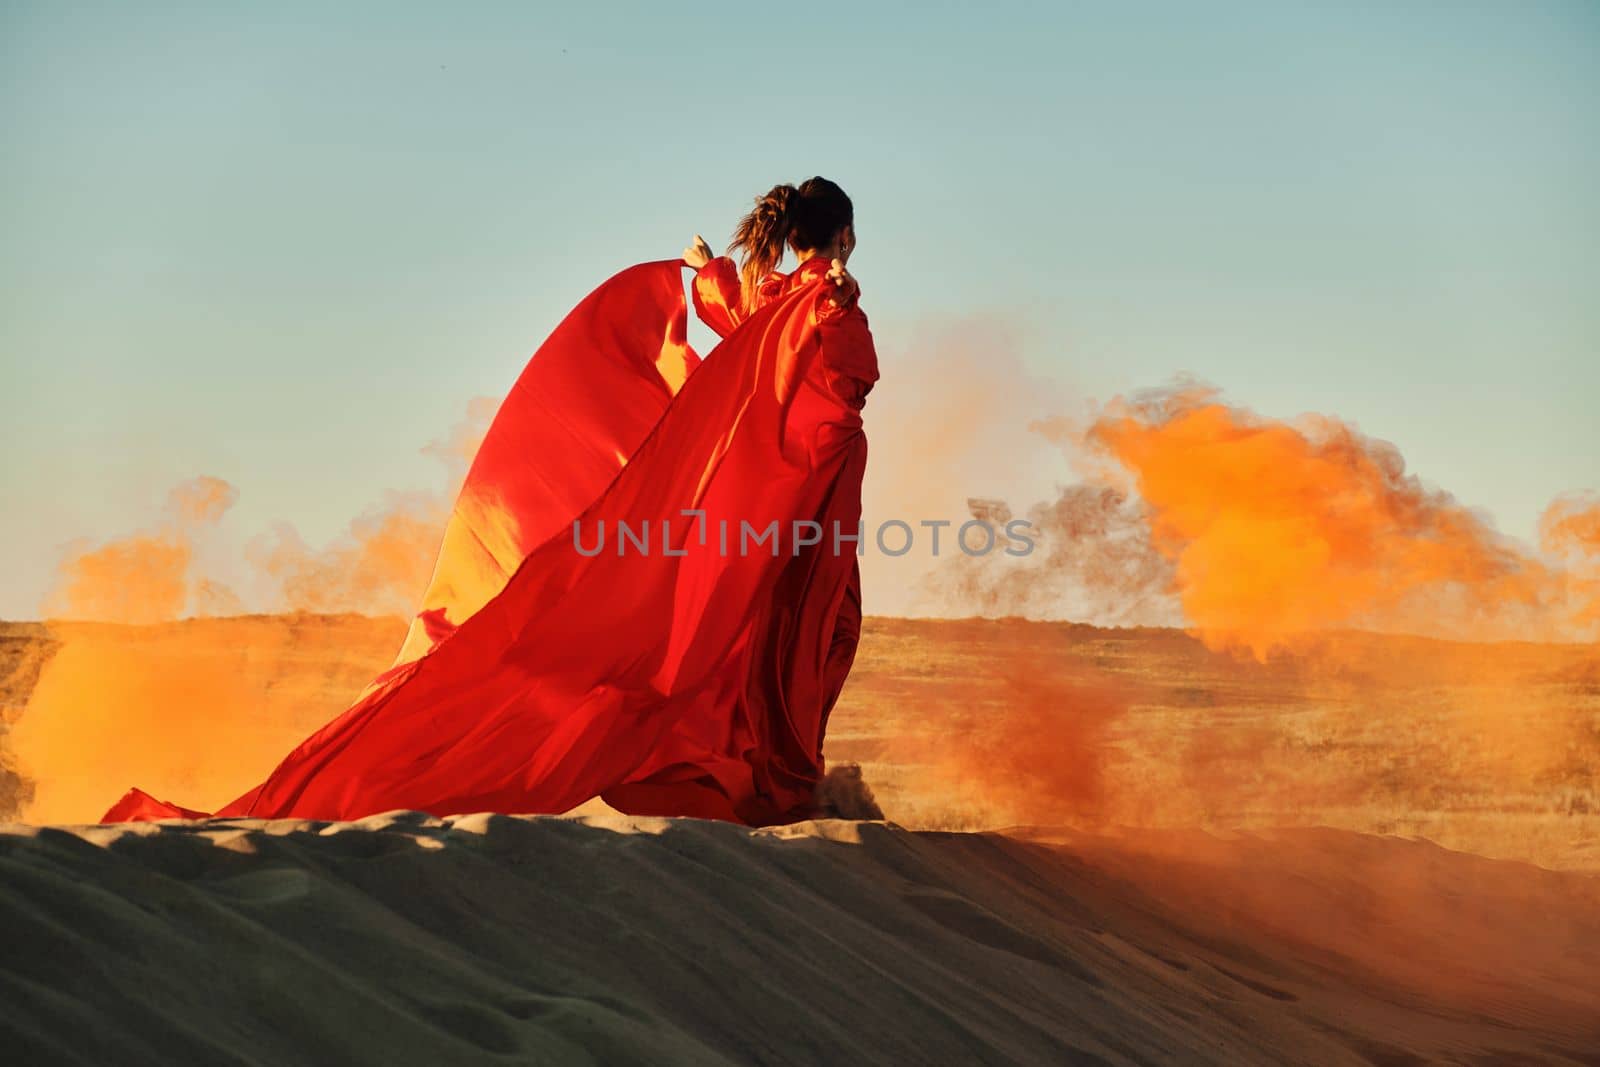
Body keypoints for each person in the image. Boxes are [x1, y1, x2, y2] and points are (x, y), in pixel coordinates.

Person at [103, 176, 879, 826]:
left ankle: (770, 779)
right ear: (840, 235)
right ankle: (774, 783)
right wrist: (832, 301)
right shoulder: (821, 300)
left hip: (781, 501)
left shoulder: (779, 298)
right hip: (799, 502)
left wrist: (711, 272)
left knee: (778, 635)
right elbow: (837, 375)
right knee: (803, 631)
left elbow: (746, 323)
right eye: (848, 243)